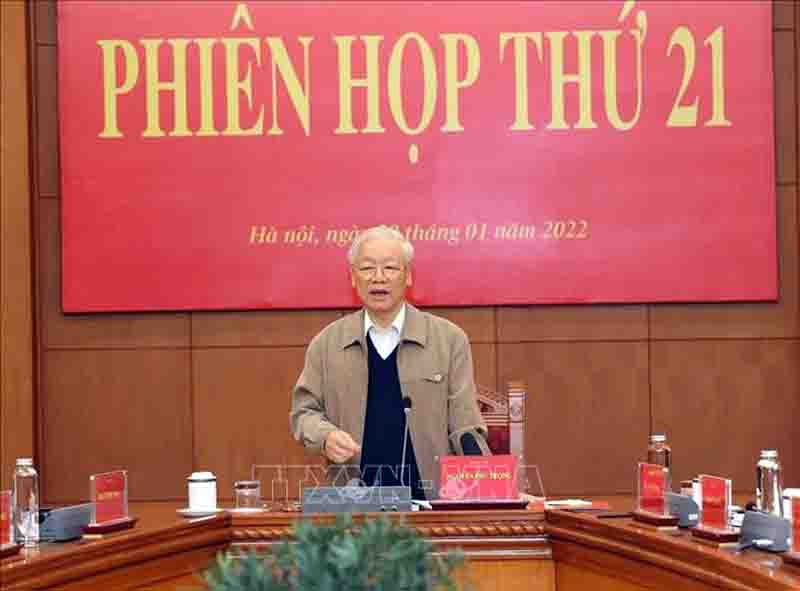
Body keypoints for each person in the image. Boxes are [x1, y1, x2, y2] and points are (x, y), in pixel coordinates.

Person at [290, 225, 489, 499]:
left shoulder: (449, 340)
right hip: (354, 504)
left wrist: (494, 485)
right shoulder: (326, 344)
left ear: (408, 276)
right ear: (353, 277)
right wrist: (325, 437)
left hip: (432, 501)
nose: (378, 278)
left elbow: (466, 427)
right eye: (367, 268)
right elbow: (304, 413)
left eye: (390, 268)